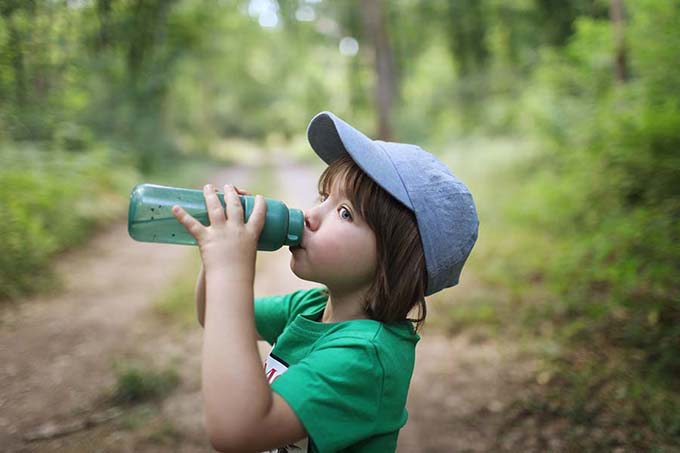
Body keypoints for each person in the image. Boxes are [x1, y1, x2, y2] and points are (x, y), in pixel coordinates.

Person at [172, 111, 479, 452]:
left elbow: (237, 429)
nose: (310, 215)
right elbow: (211, 315)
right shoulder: (311, 307)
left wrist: (230, 269)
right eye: (323, 197)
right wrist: (215, 252)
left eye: (344, 212)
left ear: (394, 261)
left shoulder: (366, 356)